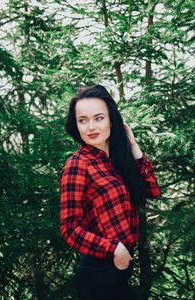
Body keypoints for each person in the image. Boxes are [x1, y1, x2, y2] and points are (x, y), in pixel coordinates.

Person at [59, 85, 160, 300]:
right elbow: (69, 228)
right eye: (82, 120)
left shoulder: (116, 160)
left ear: (111, 120)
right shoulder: (78, 165)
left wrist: (132, 144)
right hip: (98, 273)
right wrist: (114, 248)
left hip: (119, 270)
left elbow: (152, 189)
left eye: (98, 118)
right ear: (76, 125)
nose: (91, 127)